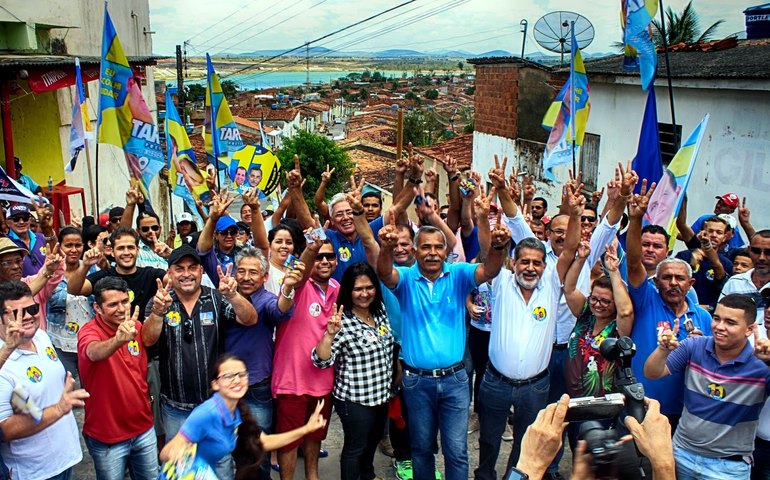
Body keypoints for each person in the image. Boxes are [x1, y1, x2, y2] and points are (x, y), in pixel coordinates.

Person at [376, 205, 511, 480]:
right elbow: (384, 273)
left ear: (444, 251)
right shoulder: (405, 280)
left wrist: (498, 247)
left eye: (438, 247)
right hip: (417, 382)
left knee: (456, 451)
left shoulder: (459, 275)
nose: (433, 252)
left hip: (455, 381)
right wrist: (386, 248)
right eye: (425, 247)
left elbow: (489, 271)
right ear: (414, 252)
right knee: (422, 448)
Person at [142, 244, 257, 479]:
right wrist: (157, 313)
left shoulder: (215, 297)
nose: (186, 274)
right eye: (179, 268)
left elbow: (249, 319)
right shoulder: (161, 301)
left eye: (193, 268)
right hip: (176, 407)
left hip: (215, 406)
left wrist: (233, 295)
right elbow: (147, 340)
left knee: (221, 466)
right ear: (170, 273)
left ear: (201, 271)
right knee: (182, 469)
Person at [645, 294, 770, 479]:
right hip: (681, 454)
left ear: (750, 329)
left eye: (731, 322)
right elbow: (652, 372)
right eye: (717, 318)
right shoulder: (694, 346)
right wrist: (663, 350)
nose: (719, 327)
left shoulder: (761, 366)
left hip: (728, 467)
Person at [626, 181, 713, 427]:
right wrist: (636, 220)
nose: (673, 283)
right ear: (657, 281)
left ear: (691, 283)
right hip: (641, 403)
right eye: (666, 278)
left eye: (680, 279)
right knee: (634, 465)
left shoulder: (703, 318)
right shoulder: (646, 299)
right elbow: (634, 262)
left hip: (683, 411)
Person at [159, 354, 327, 479]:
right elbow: (165, 453)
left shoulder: (237, 410)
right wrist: (179, 453)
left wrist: (306, 429)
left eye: (241, 375)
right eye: (228, 376)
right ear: (215, 384)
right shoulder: (206, 414)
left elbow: (265, 442)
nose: (237, 380)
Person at [312, 263, 395, 480]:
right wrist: (329, 335)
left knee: (373, 440)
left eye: (369, 287)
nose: (364, 294)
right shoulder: (342, 321)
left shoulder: (380, 311)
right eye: (358, 289)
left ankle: (367, 474)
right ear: (348, 291)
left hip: (381, 395)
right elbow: (319, 361)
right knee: (355, 447)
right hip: (355, 400)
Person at [0, 280, 90, 479]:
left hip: (65, 460)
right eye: (16, 313)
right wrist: (59, 409)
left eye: (31, 308)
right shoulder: (2, 363)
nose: (27, 317)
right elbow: (4, 430)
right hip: (35, 472)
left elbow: (34, 399)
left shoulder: (41, 336)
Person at [78, 277, 158, 480]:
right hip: (107, 437)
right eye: (113, 304)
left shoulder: (135, 325)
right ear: (97, 307)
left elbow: (150, 338)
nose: (121, 309)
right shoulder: (89, 331)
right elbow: (93, 352)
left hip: (144, 429)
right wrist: (117, 340)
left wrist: (158, 313)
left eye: (125, 301)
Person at [272, 235, 338, 480]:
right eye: (318, 256)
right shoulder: (296, 285)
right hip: (292, 381)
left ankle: (313, 477)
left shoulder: (337, 289)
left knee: (315, 436)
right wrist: (312, 248)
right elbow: (301, 271)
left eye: (329, 256)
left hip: (323, 381)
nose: (323, 260)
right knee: (289, 441)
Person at [47, 227, 96, 379]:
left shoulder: (92, 267)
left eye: (78, 245)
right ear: (60, 246)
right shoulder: (51, 271)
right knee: (66, 386)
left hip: (89, 339)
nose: (74, 250)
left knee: (91, 386)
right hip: (61, 340)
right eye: (68, 245)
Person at [720, 230, 770, 327]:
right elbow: (721, 316)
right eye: (756, 251)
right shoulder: (734, 282)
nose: (761, 257)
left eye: (768, 252)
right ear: (749, 250)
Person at [6, 204, 48, 278]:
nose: (21, 222)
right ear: (8, 223)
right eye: (16, 219)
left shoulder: (41, 237)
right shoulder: (5, 242)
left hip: (48, 285)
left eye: (25, 218)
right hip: (21, 287)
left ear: (30, 220)